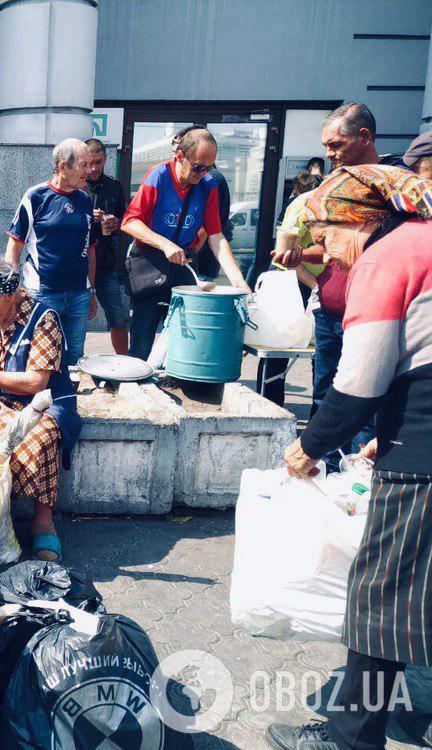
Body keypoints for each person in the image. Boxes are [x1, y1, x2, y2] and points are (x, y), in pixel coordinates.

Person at [266, 163, 432, 750]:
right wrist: (382, 431)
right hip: (415, 429)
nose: (325, 253)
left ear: (355, 221)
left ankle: (350, 740)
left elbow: (360, 378)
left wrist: (307, 446)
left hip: (424, 455)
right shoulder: (426, 240)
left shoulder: (387, 257)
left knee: (381, 596)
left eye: (328, 235)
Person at [0, 254, 82, 562]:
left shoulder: (43, 318)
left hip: (43, 403)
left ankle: (43, 521)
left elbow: (37, 382)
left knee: (40, 438)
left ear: (11, 295)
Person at [121, 125, 252, 360]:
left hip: (184, 265)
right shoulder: (159, 175)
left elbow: (216, 236)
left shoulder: (208, 184)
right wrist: (165, 244)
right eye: (198, 167)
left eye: (208, 167)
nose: (202, 173)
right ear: (180, 156)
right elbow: (130, 222)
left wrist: (239, 283)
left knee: (182, 341)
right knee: (141, 342)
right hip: (150, 265)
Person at [309, 103, 380, 471]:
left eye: (336, 145)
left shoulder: (390, 186)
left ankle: (358, 483)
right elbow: (327, 246)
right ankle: (327, 470)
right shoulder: (336, 184)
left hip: (369, 315)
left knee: (360, 401)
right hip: (330, 309)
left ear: (364, 137)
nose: (329, 154)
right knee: (326, 396)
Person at [5, 138, 97, 369]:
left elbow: (90, 248)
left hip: (79, 295)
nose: (90, 170)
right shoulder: (36, 196)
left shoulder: (85, 199)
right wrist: (13, 289)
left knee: (74, 360)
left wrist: (91, 291)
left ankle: (66, 402)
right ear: (64, 166)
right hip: (42, 294)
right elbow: (14, 246)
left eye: (92, 164)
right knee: (39, 357)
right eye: (84, 165)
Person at [255, 171, 323, 406]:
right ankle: (270, 411)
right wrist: (315, 285)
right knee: (278, 348)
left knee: (323, 351)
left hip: (325, 286)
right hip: (291, 282)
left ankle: (319, 419)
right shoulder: (302, 205)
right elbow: (283, 257)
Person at [82, 138, 130, 354]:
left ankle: (125, 362)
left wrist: (116, 223)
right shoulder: (77, 186)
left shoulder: (115, 186)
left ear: (105, 160)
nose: (94, 168)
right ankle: (72, 364)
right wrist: (87, 216)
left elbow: (127, 221)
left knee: (118, 316)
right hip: (79, 264)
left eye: (99, 162)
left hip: (106, 264)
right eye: (90, 163)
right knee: (77, 318)